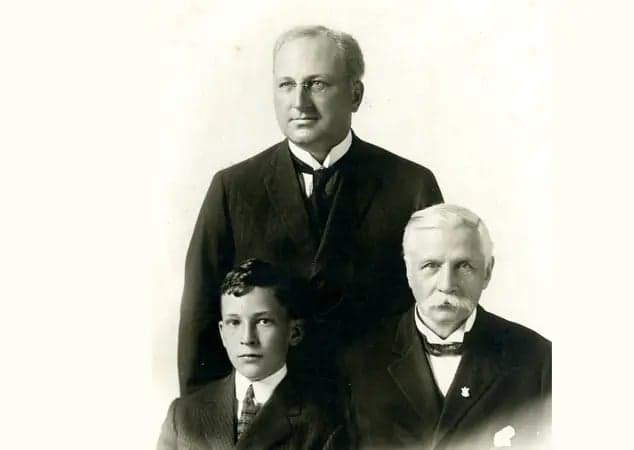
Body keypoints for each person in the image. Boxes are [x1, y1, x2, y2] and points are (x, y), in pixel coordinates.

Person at [178, 25, 443, 393]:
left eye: (317, 84)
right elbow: (200, 317)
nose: (298, 102)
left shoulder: (411, 186)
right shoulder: (233, 187)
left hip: (379, 414)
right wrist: (203, 428)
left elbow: (438, 313)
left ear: (355, 94)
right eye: (286, 85)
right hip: (270, 420)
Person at [339, 204, 551, 450]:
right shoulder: (357, 361)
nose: (447, 284)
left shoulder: (539, 359)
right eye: (431, 265)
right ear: (408, 271)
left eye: (463, 266)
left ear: (488, 272)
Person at [158, 259, 341, 450]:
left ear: (294, 332)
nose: (247, 338)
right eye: (234, 323)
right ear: (222, 333)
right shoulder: (183, 416)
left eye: (263, 321)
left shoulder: (323, 424)